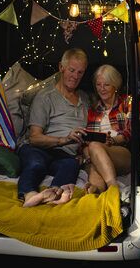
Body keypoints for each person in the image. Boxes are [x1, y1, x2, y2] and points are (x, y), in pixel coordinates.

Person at [18, 48, 91, 207]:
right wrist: (63, 140)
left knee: (71, 165)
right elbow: (34, 138)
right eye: (71, 70)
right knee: (36, 164)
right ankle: (29, 195)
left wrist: (82, 153)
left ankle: (53, 194)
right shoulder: (46, 96)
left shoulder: (85, 100)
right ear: (61, 67)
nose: (75, 76)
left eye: (80, 72)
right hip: (39, 149)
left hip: (64, 155)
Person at [81, 64, 133, 194]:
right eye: (99, 85)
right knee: (93, 154)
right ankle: (96, 191)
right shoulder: (93, 110)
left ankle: (112, 187)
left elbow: (130, 132)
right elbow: (87, 139)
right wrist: (86, 151)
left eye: (106, 85)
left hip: (121, 152)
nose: (102, 89)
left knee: (94, 147)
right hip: (96, 153)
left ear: (115, 86)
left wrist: (113, 140)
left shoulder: (126, 103)